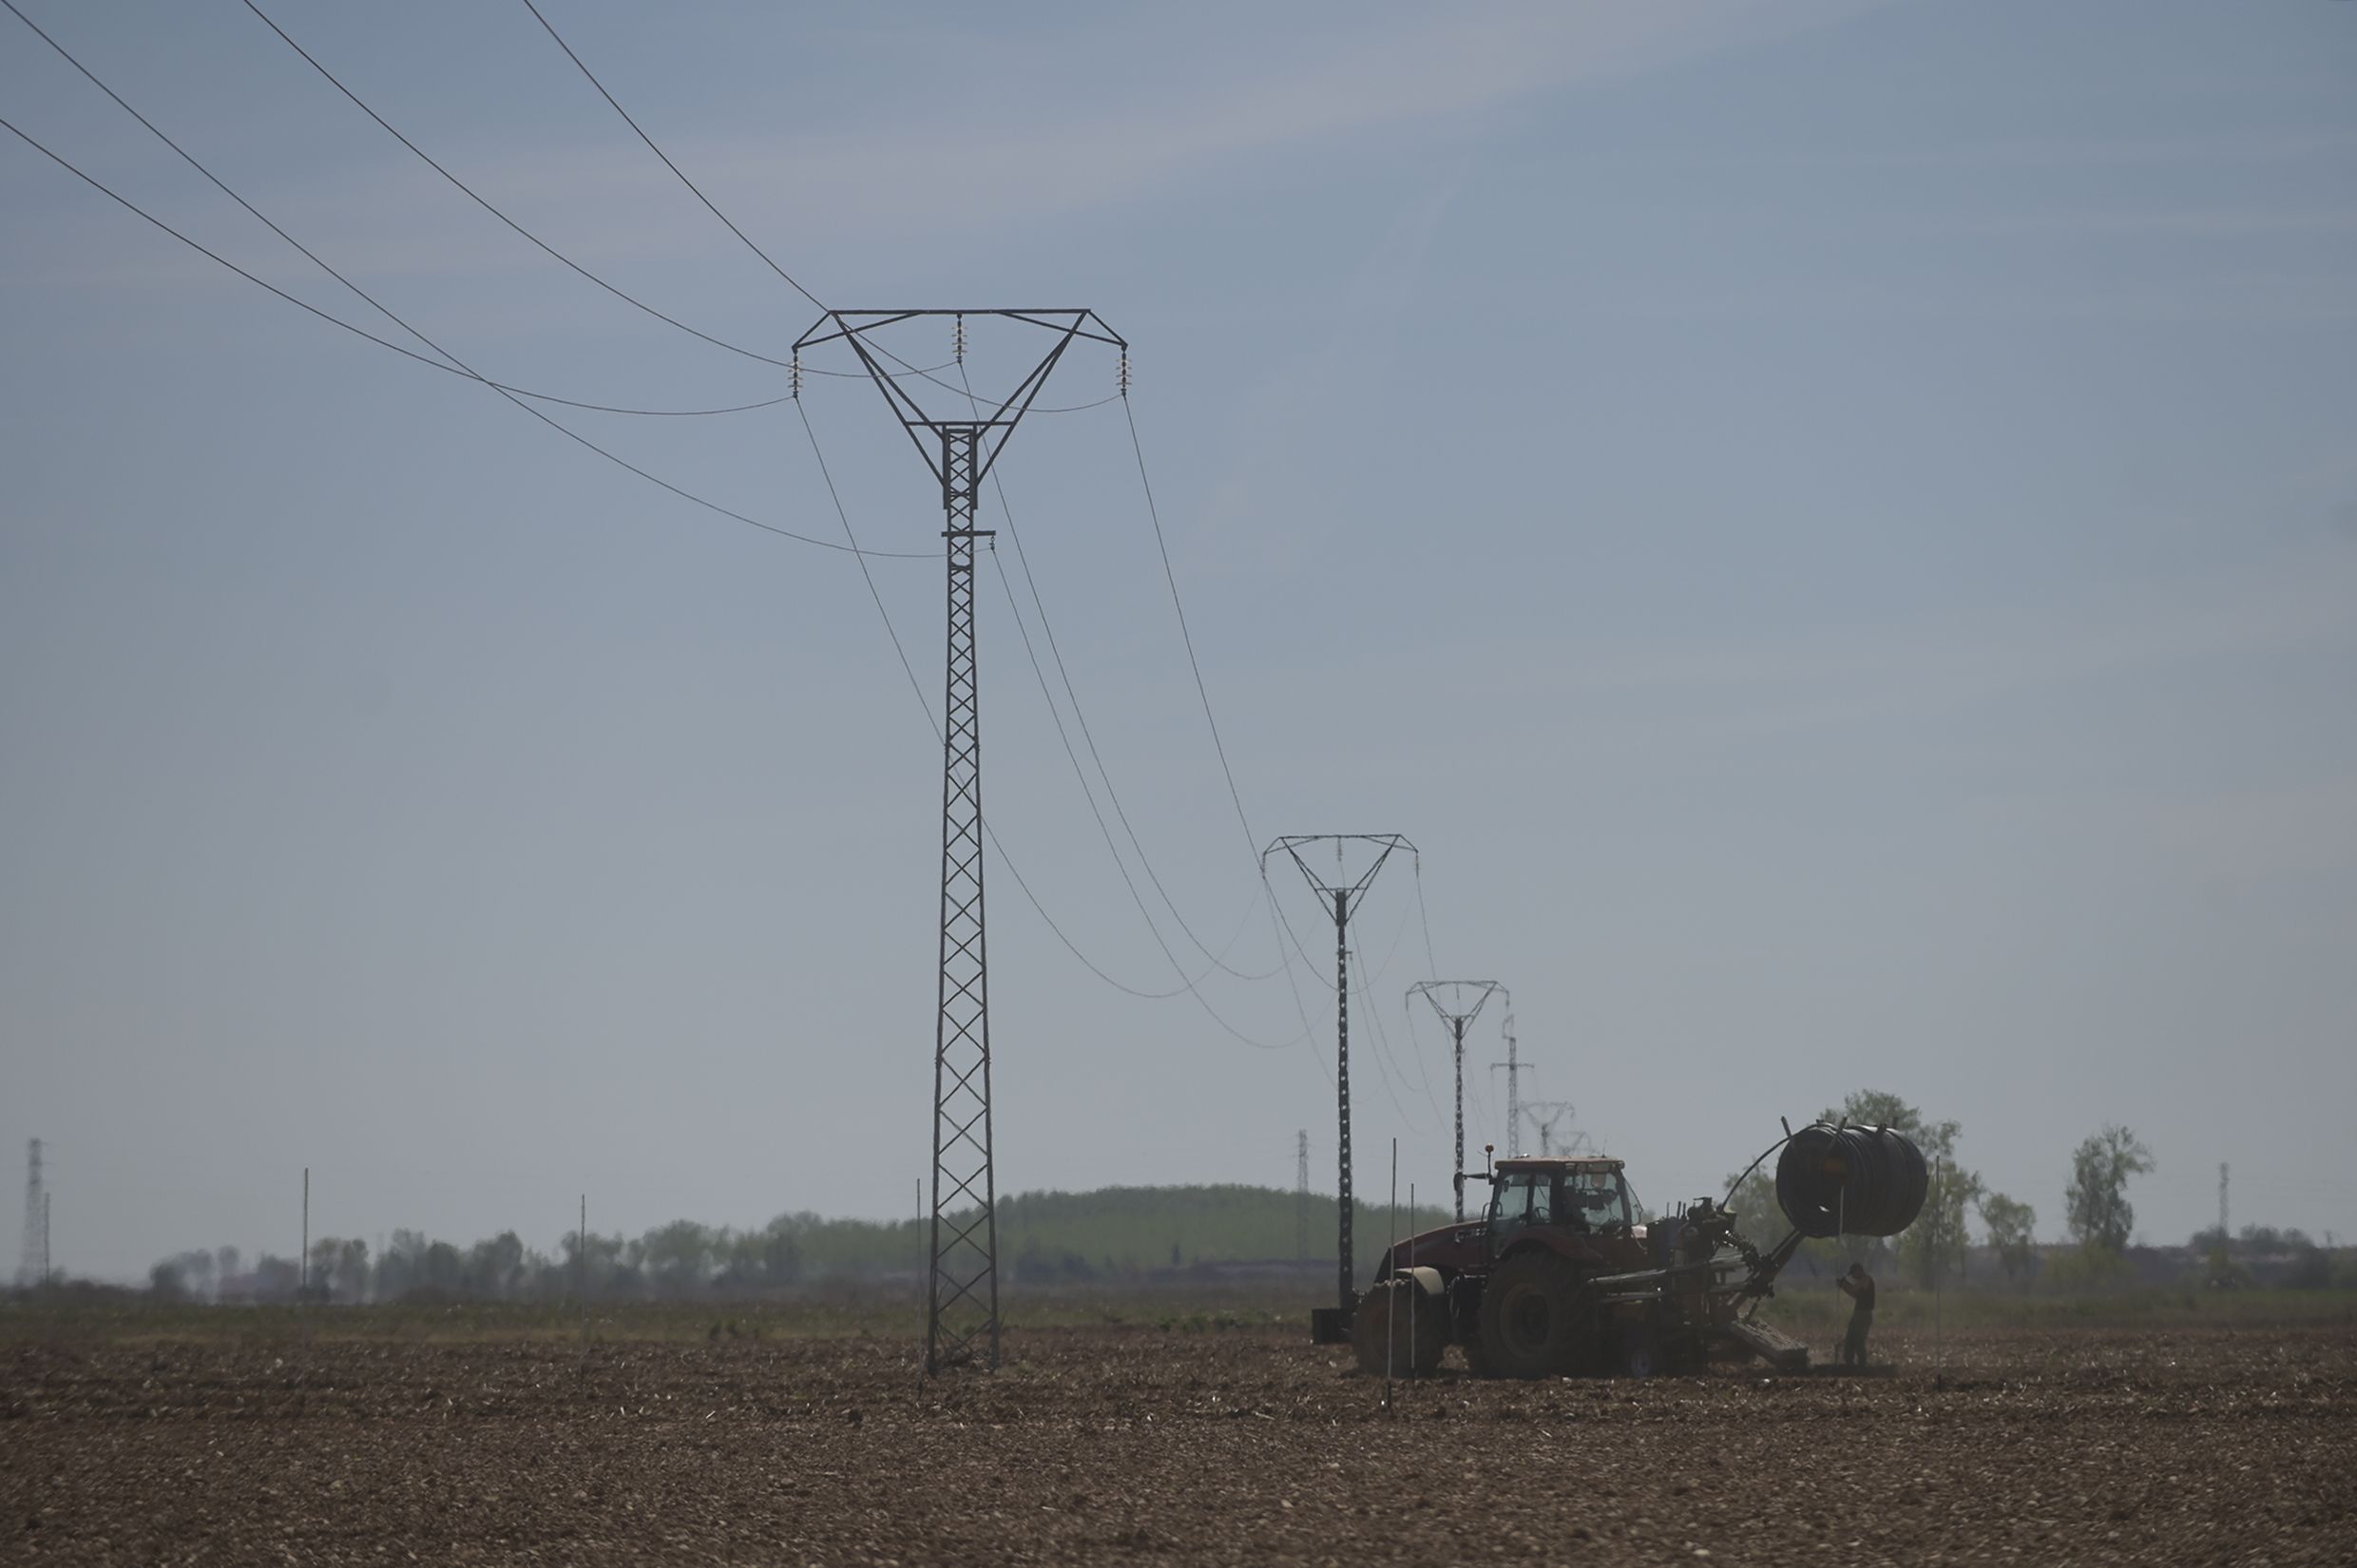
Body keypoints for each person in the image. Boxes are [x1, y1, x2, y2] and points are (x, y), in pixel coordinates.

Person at [1836, 1263, 1876, 1367]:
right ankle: (1849, 1363)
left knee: (1859, 1339)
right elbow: (1853, 1294)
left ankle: (1862, 1364)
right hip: (1858, 1314)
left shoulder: (1866, 1279)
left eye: (1853, 1273)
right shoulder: (1860, 1283)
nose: (1853, 1276)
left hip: (1864, 1314)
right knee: (1850, 1338)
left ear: (1859, 1270)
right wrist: (1843, 1285)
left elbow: (1853, 1289)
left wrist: (1844, 1283)